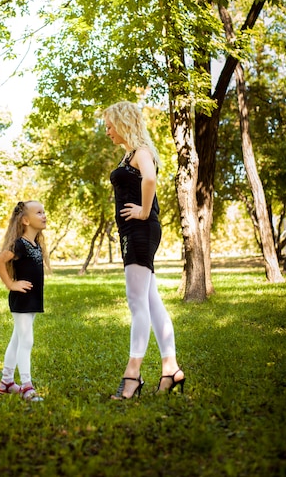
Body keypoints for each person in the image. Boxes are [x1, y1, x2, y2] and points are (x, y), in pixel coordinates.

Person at [103, 101, 185, 399]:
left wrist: (143, 211)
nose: (107, 131)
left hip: (140, 230)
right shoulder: (130, 155)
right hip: (135, 231)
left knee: (137, 302)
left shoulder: (141, 153)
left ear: (124, 123)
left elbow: (150, 178)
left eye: (110, 125)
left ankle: (132, 376)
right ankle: (171, 369)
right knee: (150, 301)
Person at [0, 200, 48, 402]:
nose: (44, 215)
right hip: (22, 300)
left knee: (17, 339)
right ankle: (26, 386)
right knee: (26, 340)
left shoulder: (36, 244)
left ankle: (6, 382)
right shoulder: (19, 244)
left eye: (44, 212)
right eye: (39, 212)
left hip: (32, 300)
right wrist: (11, 284)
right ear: (25, 220)